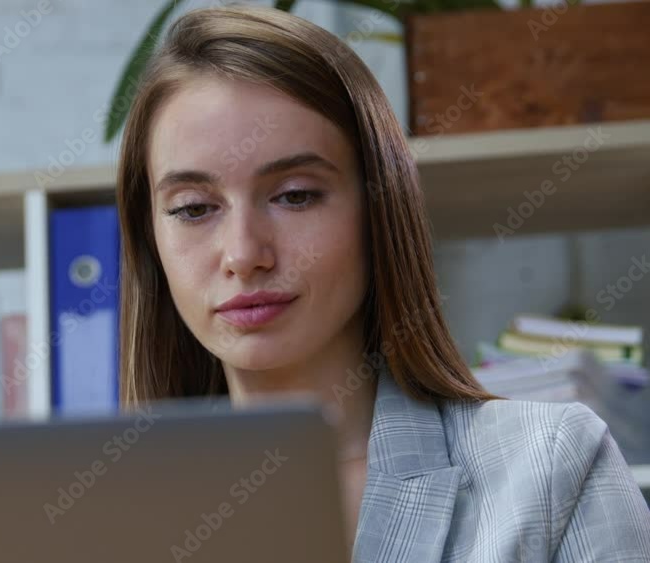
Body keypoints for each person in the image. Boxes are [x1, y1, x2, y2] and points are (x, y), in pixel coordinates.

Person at [113, 4, 650, 561]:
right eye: (194, 208)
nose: (244, 255)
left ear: (379, 209)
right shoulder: (107, 517)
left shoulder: (551, 465)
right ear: (150, 237)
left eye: (295, 195)